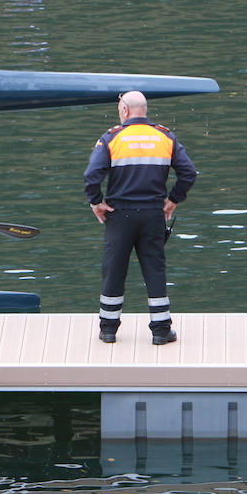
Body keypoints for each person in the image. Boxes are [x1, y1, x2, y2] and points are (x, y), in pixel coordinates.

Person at [83, 91, 197, 345]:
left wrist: (96, 202)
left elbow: (91, 176)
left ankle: (109, 329)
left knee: (114, 270)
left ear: (124, 110)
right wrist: (173, 199)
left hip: (119, 214)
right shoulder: (164, 136)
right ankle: (160, 330)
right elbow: (188, 173)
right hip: (153, 213)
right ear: (143, 110)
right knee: (154, 269)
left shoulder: (112, 138)